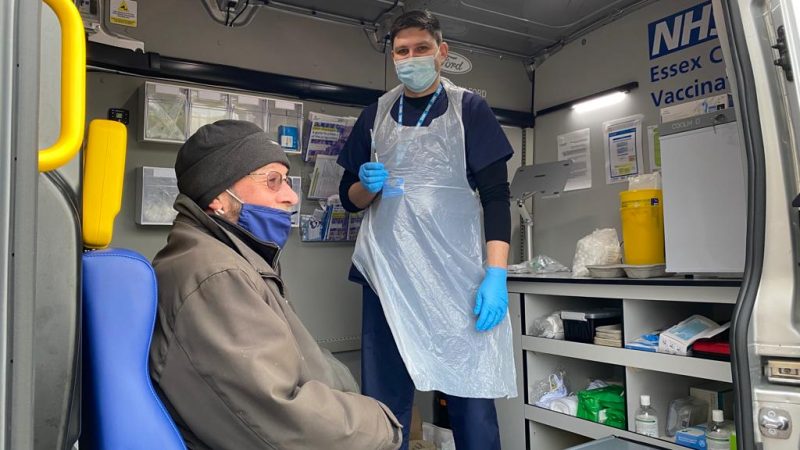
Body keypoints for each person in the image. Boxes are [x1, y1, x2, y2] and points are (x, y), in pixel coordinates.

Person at [149, 120, 401, 450]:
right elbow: (281, 417)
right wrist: (383, 426)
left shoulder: (234, 260)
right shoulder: (215, 277)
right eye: (272, 181)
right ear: (218, 198)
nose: (291, 196)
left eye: (286, 181)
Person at [337, 10, 517, 450]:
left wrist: (496, 274)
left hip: (453, 276)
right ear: (392, 56)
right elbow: (348, 198)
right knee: (385, 399)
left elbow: (496, 197)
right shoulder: (375, 114)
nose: (411, 58)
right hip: (387, 277)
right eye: (402, 51)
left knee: (470, 389)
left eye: (421, 48)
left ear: (442, 52)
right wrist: (366, 184)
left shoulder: (468, 110)